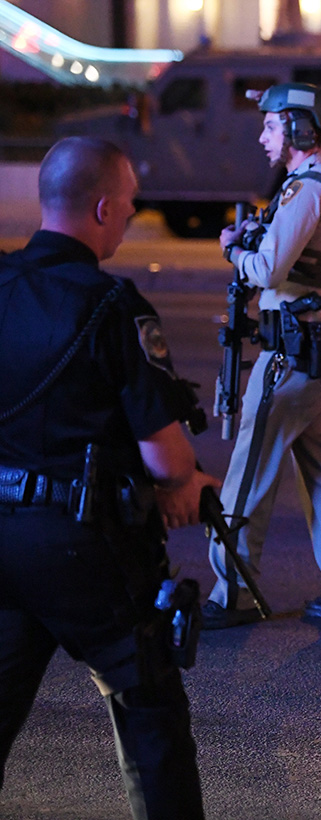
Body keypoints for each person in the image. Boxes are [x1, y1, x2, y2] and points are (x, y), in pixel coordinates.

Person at [0, 137, 219, 818]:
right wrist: (181, 486)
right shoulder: (111, 304)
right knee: (150, 717)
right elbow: (170, 460)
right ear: (101, 207)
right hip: (86, 547)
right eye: (126, 206)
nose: (128, 218)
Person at [204, 82, 321, 628]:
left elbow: (270, 270)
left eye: (271, 126)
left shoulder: (308, 189)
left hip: (296, 355)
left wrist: (235, 247)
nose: (262, 136)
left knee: (249, 469)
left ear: (300, 130)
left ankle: (230, 593)